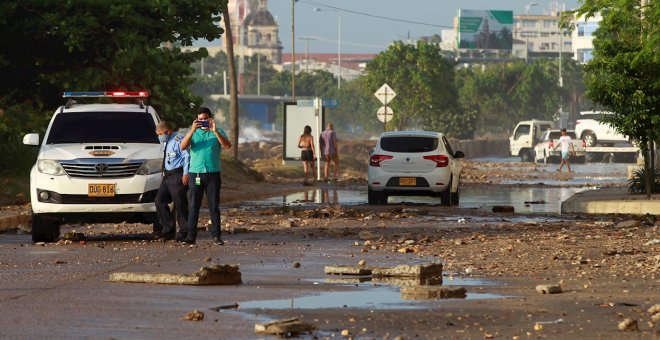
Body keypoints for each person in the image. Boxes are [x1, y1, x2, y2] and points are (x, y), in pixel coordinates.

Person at [180, 107, 232, 245]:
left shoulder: (218, 131)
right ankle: (191, 236)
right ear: (197, 119)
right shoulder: (193, 133)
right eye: (200, 119)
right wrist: (192, 130)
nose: (203, 121)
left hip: (212, 174)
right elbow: (182, 146)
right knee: (193, 206)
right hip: (195, 174)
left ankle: (216, 236)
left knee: (214, 206)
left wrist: (214, 131)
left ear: (210, 118)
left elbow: (227, 146)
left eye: (205, 119)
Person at [154, 121, 190, 241]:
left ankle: (185, 231)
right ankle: (168, 229)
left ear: (167, 131)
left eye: (160, 134)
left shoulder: (178, 139)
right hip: (167, 176)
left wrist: (186, 173)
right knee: (159, 200)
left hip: (177, 175)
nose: (159, 137)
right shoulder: (166, 141)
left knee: (180, 204)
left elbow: (187, 156)